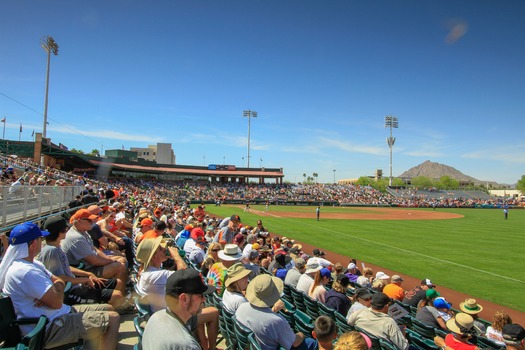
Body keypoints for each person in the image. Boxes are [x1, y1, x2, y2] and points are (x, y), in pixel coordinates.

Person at [0, 222, 120, 350]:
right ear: (33, 243)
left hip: (54, 315)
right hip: (47, 327)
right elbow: (57, 301)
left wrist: (55, 288)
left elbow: (58, 281)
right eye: (40, 239)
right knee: (113, 319)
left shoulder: (32, 264)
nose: (42, 241)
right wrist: (56, 288)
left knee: (108, 308)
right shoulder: (26, 271)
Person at [37, 216, 124, 308]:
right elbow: (58, 277)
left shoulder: (56, 247)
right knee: (116, 296)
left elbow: (66, 267)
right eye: (66, 229)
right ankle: (108, 310)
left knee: (118, 283)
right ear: (60, 232)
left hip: (76, 284)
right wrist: (84, 280)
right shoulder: (51, 251)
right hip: (70, 292)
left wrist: (87, 274)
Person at [235, 274, 317, 350]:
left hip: (251, 346)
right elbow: (294, 343)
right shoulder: (276, 321)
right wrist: (301, 335)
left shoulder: (241, 308)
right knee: (312, 342)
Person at [141, 269, 217, 350]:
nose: (204, 299)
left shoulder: (156, 317)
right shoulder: (186, 346)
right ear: (184, 299)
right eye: (200, 295)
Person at [61, 209, 128, 286]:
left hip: (91, 264)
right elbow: (94, 261)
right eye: (89, 220)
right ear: (79, 221)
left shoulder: (83, 231)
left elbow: (94, 248)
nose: (92, 222)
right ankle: (119, 289)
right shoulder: (76, 238)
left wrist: (108, 258)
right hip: (84, 271)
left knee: (122, 259)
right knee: (120, 266)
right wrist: (111, 261)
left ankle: (115, 285)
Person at [136, 236, 187, 312]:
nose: (164, 249)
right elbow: (186, 275)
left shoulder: (147, 271)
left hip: (161, 313)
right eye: (160, 248)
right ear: (153, 256)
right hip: (166, 316)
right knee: (211, 311)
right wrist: (176, 255)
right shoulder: (156, 275)